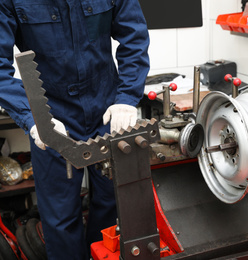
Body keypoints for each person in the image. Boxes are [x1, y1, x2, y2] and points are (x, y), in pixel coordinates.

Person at [0, 0, 150, 259]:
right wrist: (33, 118)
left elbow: (134, 38)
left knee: (113, 205)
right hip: (51, 116)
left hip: (106, 111)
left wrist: (126, 98)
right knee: (59, 218)